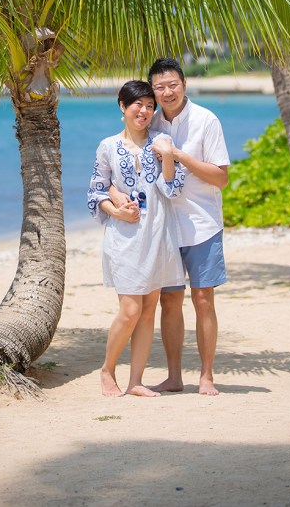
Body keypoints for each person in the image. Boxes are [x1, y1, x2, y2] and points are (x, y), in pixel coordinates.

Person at [109, 58, 230, 396]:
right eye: (159, 87)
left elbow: (221, 178)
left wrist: (177, 154)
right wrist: (116, 196)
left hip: (201, 223)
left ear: (184, 85)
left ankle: (206, 376)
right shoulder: (149, 119)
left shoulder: (206, 120)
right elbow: (122, 165)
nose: (166, 92)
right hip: (161, 227)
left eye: (172, 85)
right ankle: (174, 376)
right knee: (169, 301)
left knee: (203, 299)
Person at [87, 79, 185, 398]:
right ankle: (107, 369)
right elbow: (96, 192)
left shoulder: (162, 141)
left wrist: (166, 156)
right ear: (122, 106)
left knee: (148, 311)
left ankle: (136, 382)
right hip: (125, 237)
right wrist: (117, 211)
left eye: (149, 106)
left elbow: (173, 188)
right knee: (130, 310)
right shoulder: (107, 146)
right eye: (137, 105)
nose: (144, 111)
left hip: (158, 235)